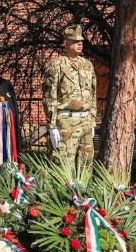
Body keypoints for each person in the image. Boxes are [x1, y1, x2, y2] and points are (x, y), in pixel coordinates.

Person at [42, 25, 97, 169]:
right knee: (63, 164)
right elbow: (49, 96)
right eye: (75, 41)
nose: (80, 43)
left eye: (81, 41)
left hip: (85, 121)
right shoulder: (56, 65)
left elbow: (93, 94)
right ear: (65, 42)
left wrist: (92, 120)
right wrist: (51, 126)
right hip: (66, 122)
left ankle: (84, 191)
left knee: (86, 164)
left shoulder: (87, 65)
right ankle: (64, 192)